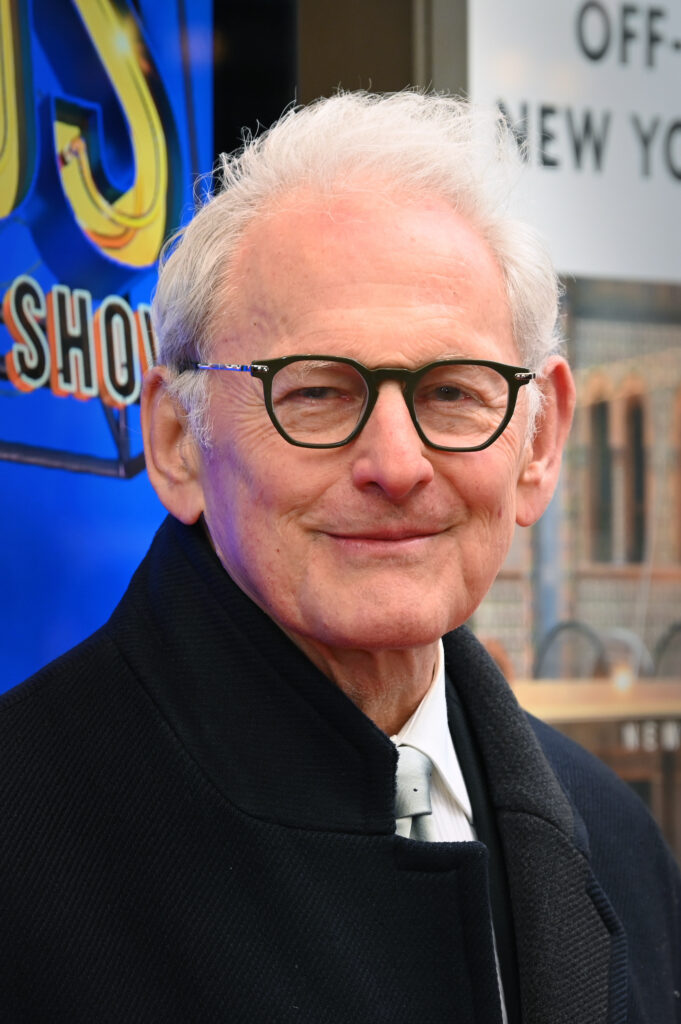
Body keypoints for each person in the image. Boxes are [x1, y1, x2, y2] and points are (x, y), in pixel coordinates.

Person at [0, 92, 679, 1024]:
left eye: (452, 393)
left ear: (537, 442)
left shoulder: (617, 841)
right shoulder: (26, 842)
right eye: (315, 392)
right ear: (175, 441)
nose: (396, 466)